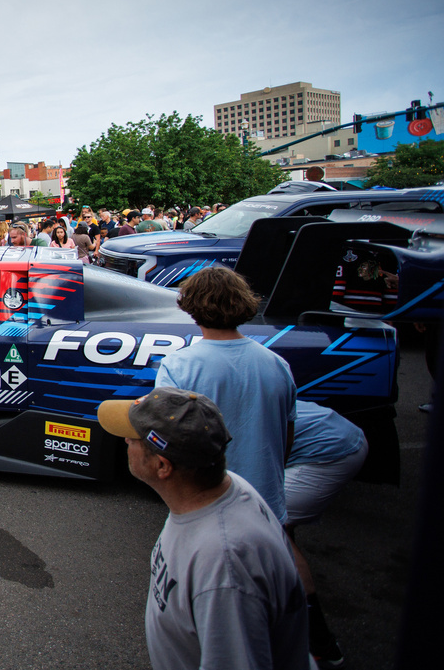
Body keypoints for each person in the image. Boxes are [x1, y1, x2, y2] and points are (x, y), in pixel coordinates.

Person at [97, 388, 309, 670]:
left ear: (162, 466)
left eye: (133, 438)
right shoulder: (223, 488)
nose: (125, 439)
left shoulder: (225, 565)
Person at [155, 266, 296, 524]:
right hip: (267, 504)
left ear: (191, 307)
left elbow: (166, 441)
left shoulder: (178, 366)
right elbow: (286, 435)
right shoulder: (277, 364)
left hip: (205, 503)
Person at [283, 401, 369, 667]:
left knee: (267, 528)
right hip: (342, 434)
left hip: (332, 452)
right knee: (275, 521)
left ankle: (320, 643)